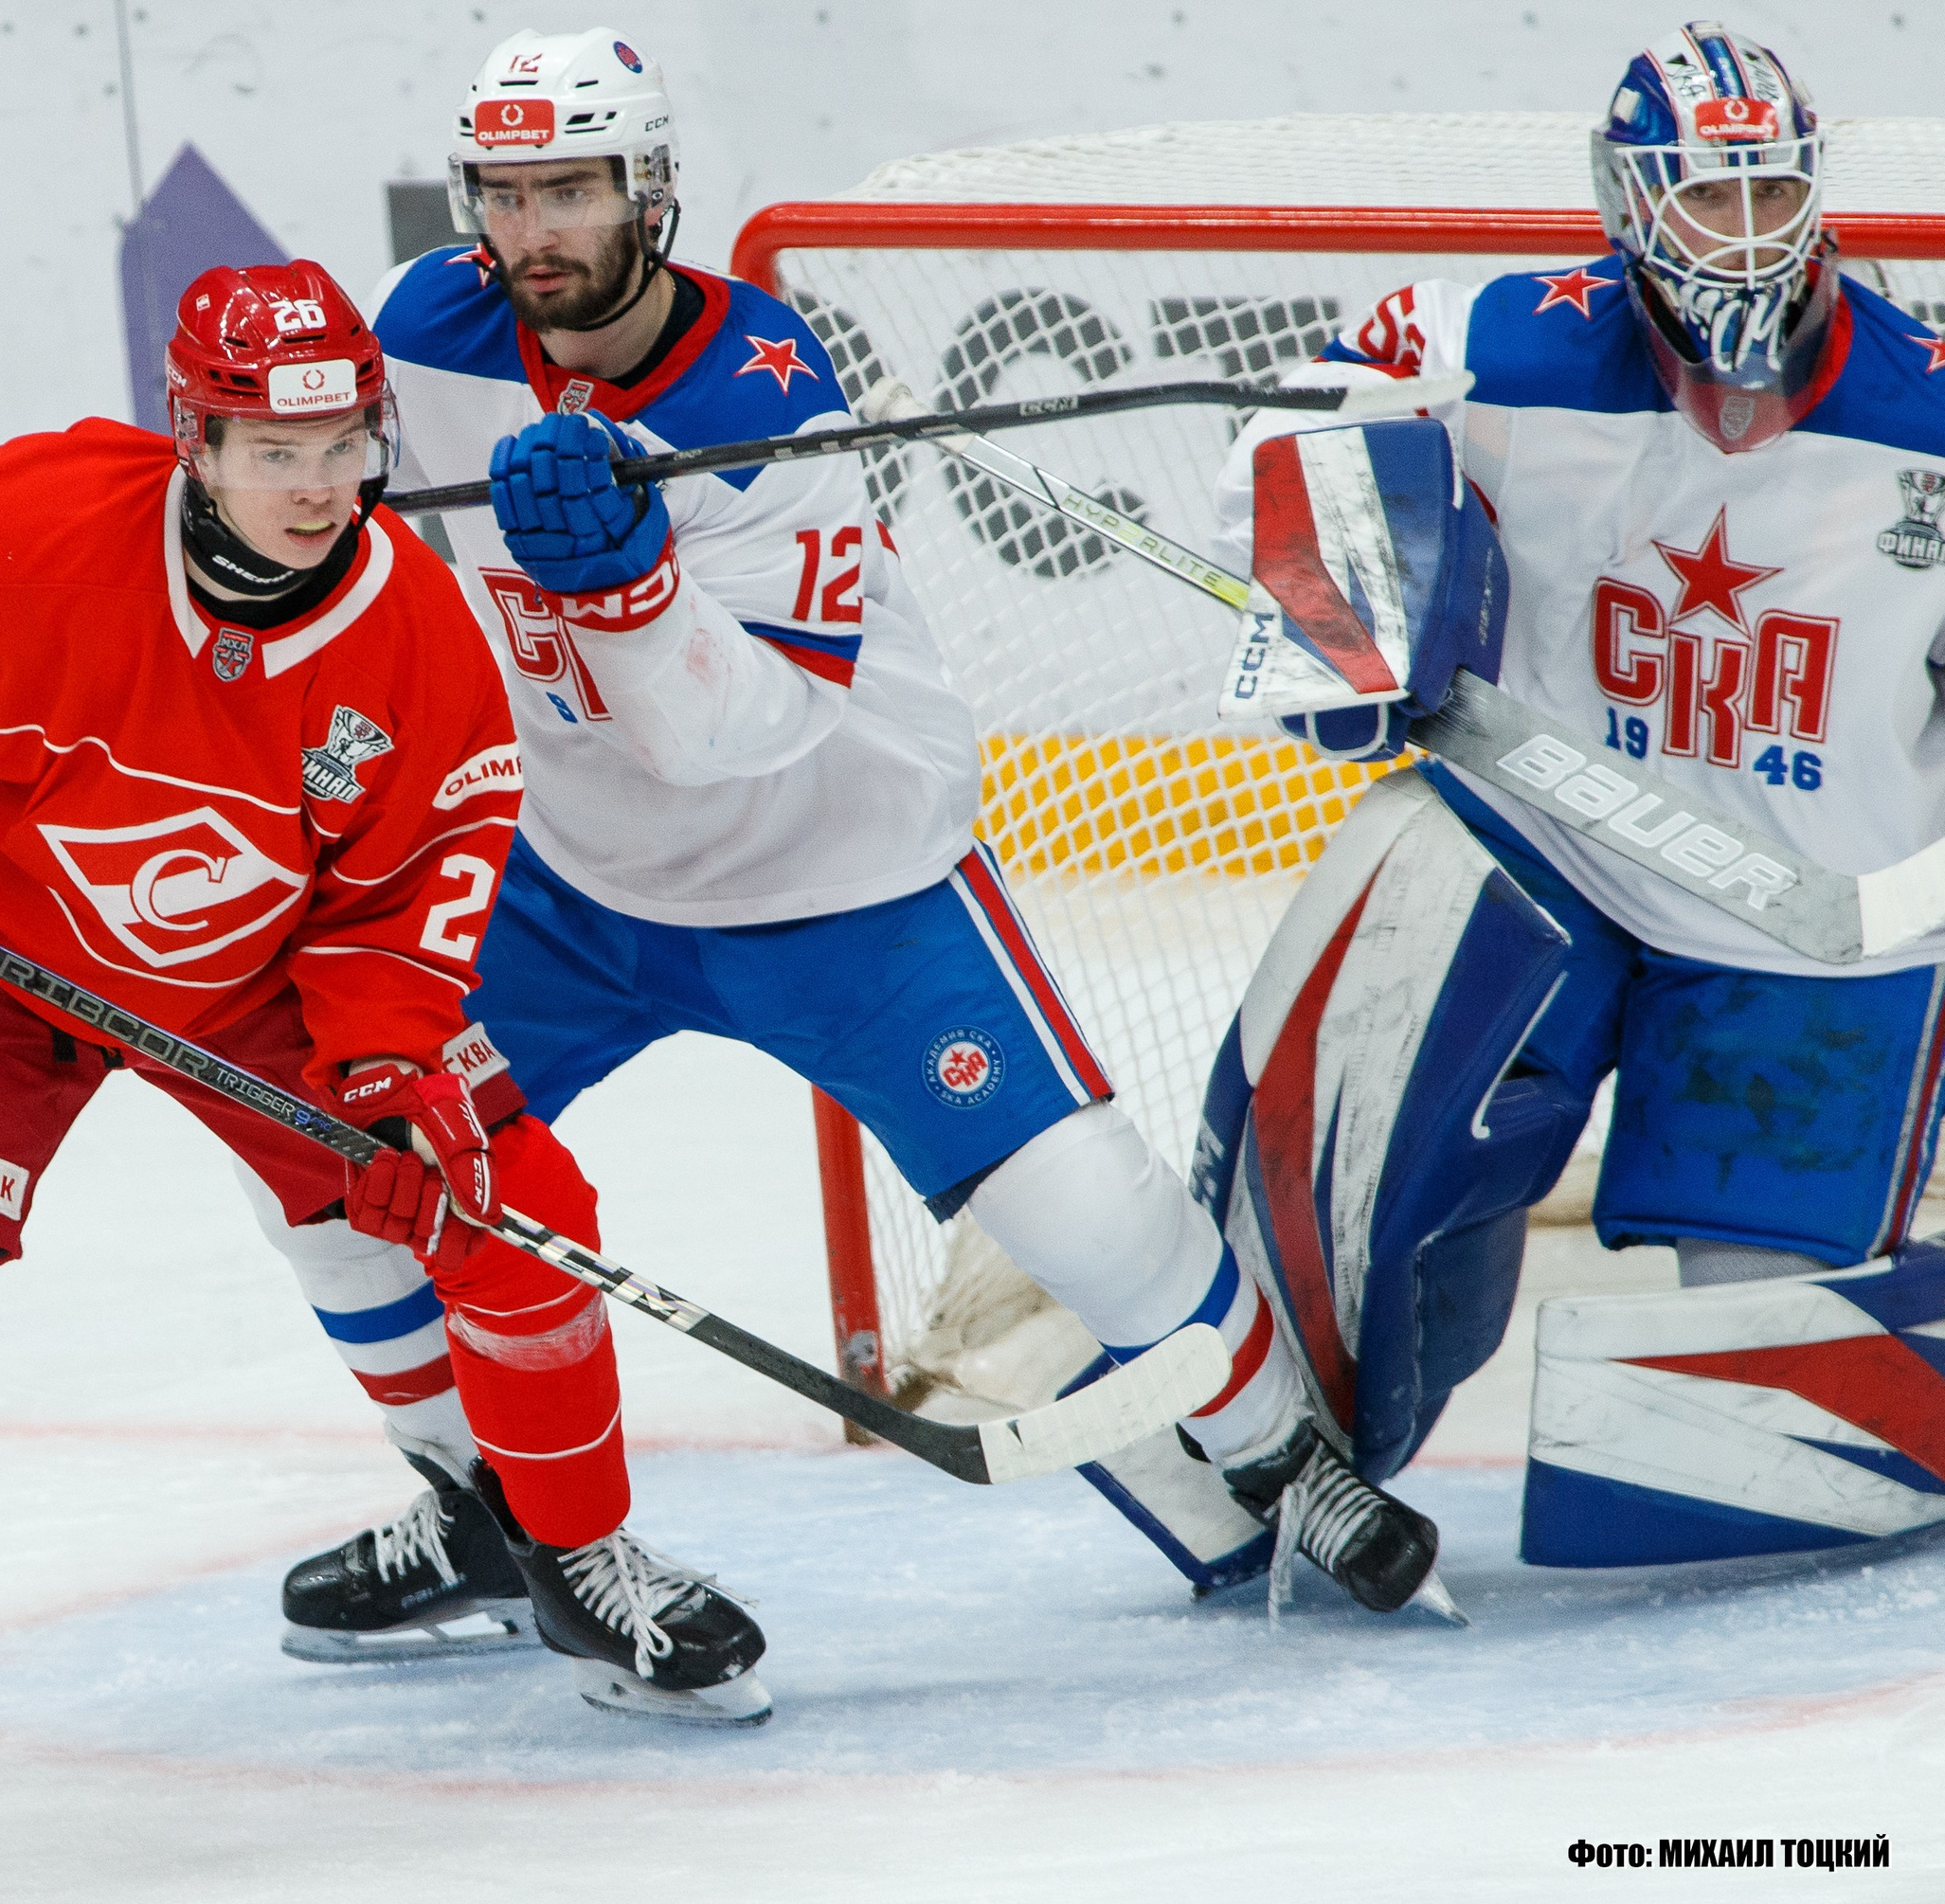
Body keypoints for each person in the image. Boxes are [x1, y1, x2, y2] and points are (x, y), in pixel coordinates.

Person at [0, 260, 766, 1904]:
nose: (322, 487)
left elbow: (416, 885)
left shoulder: (414, 638)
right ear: (192, 436)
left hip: (254, 975)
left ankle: (570, 1552)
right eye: (275, 449)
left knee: (514, 1204)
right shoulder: (31, 534)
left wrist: (395, 1078)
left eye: (347, 444)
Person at [254, 24, 1443, 1674]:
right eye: (509, 193)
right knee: (323, 1160)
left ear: (650, 191)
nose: (539, 232)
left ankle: (1274, 1458)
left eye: (576, 189)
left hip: (841, 881)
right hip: (567, 884)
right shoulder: (428, 331)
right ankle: (475, 1499)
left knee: (1089, 1213)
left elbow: (735, 742)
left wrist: (626, 588)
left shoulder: (760, 398)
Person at [1202, 23, 1945, 1554]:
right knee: (1350, 1230)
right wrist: (1347, 618)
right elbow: (1294, 434)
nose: (1741, 233)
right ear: (1626, 199)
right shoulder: (1490, 337)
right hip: (1543, 857)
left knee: (1759, 1391)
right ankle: (1274, 1452)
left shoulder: (1933, 403)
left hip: (1809, 925)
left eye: (1767, 191)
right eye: (1701, 196)